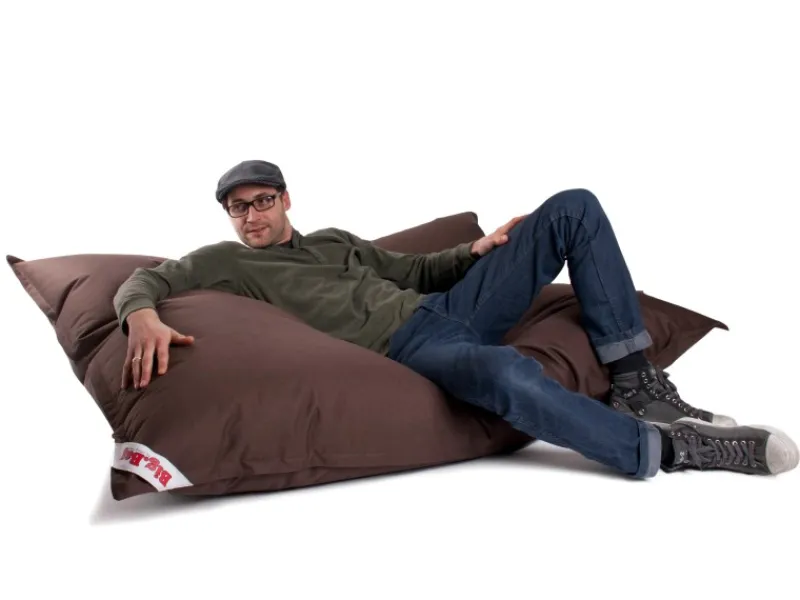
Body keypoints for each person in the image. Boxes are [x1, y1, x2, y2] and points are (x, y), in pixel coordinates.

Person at [115, 160, 798, 478]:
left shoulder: (334, 241)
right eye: (238, 208)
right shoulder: (229, 262)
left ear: (285, 199)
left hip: (448, 307)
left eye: (261, 201)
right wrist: (140, 316)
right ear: (228, 217)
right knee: (508, 372)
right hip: (410, 347)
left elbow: (410, 270)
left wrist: (476, 251)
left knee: (573, 205)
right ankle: (669, 451)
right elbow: (148, 278)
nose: (251, 216)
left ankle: (636, 382)